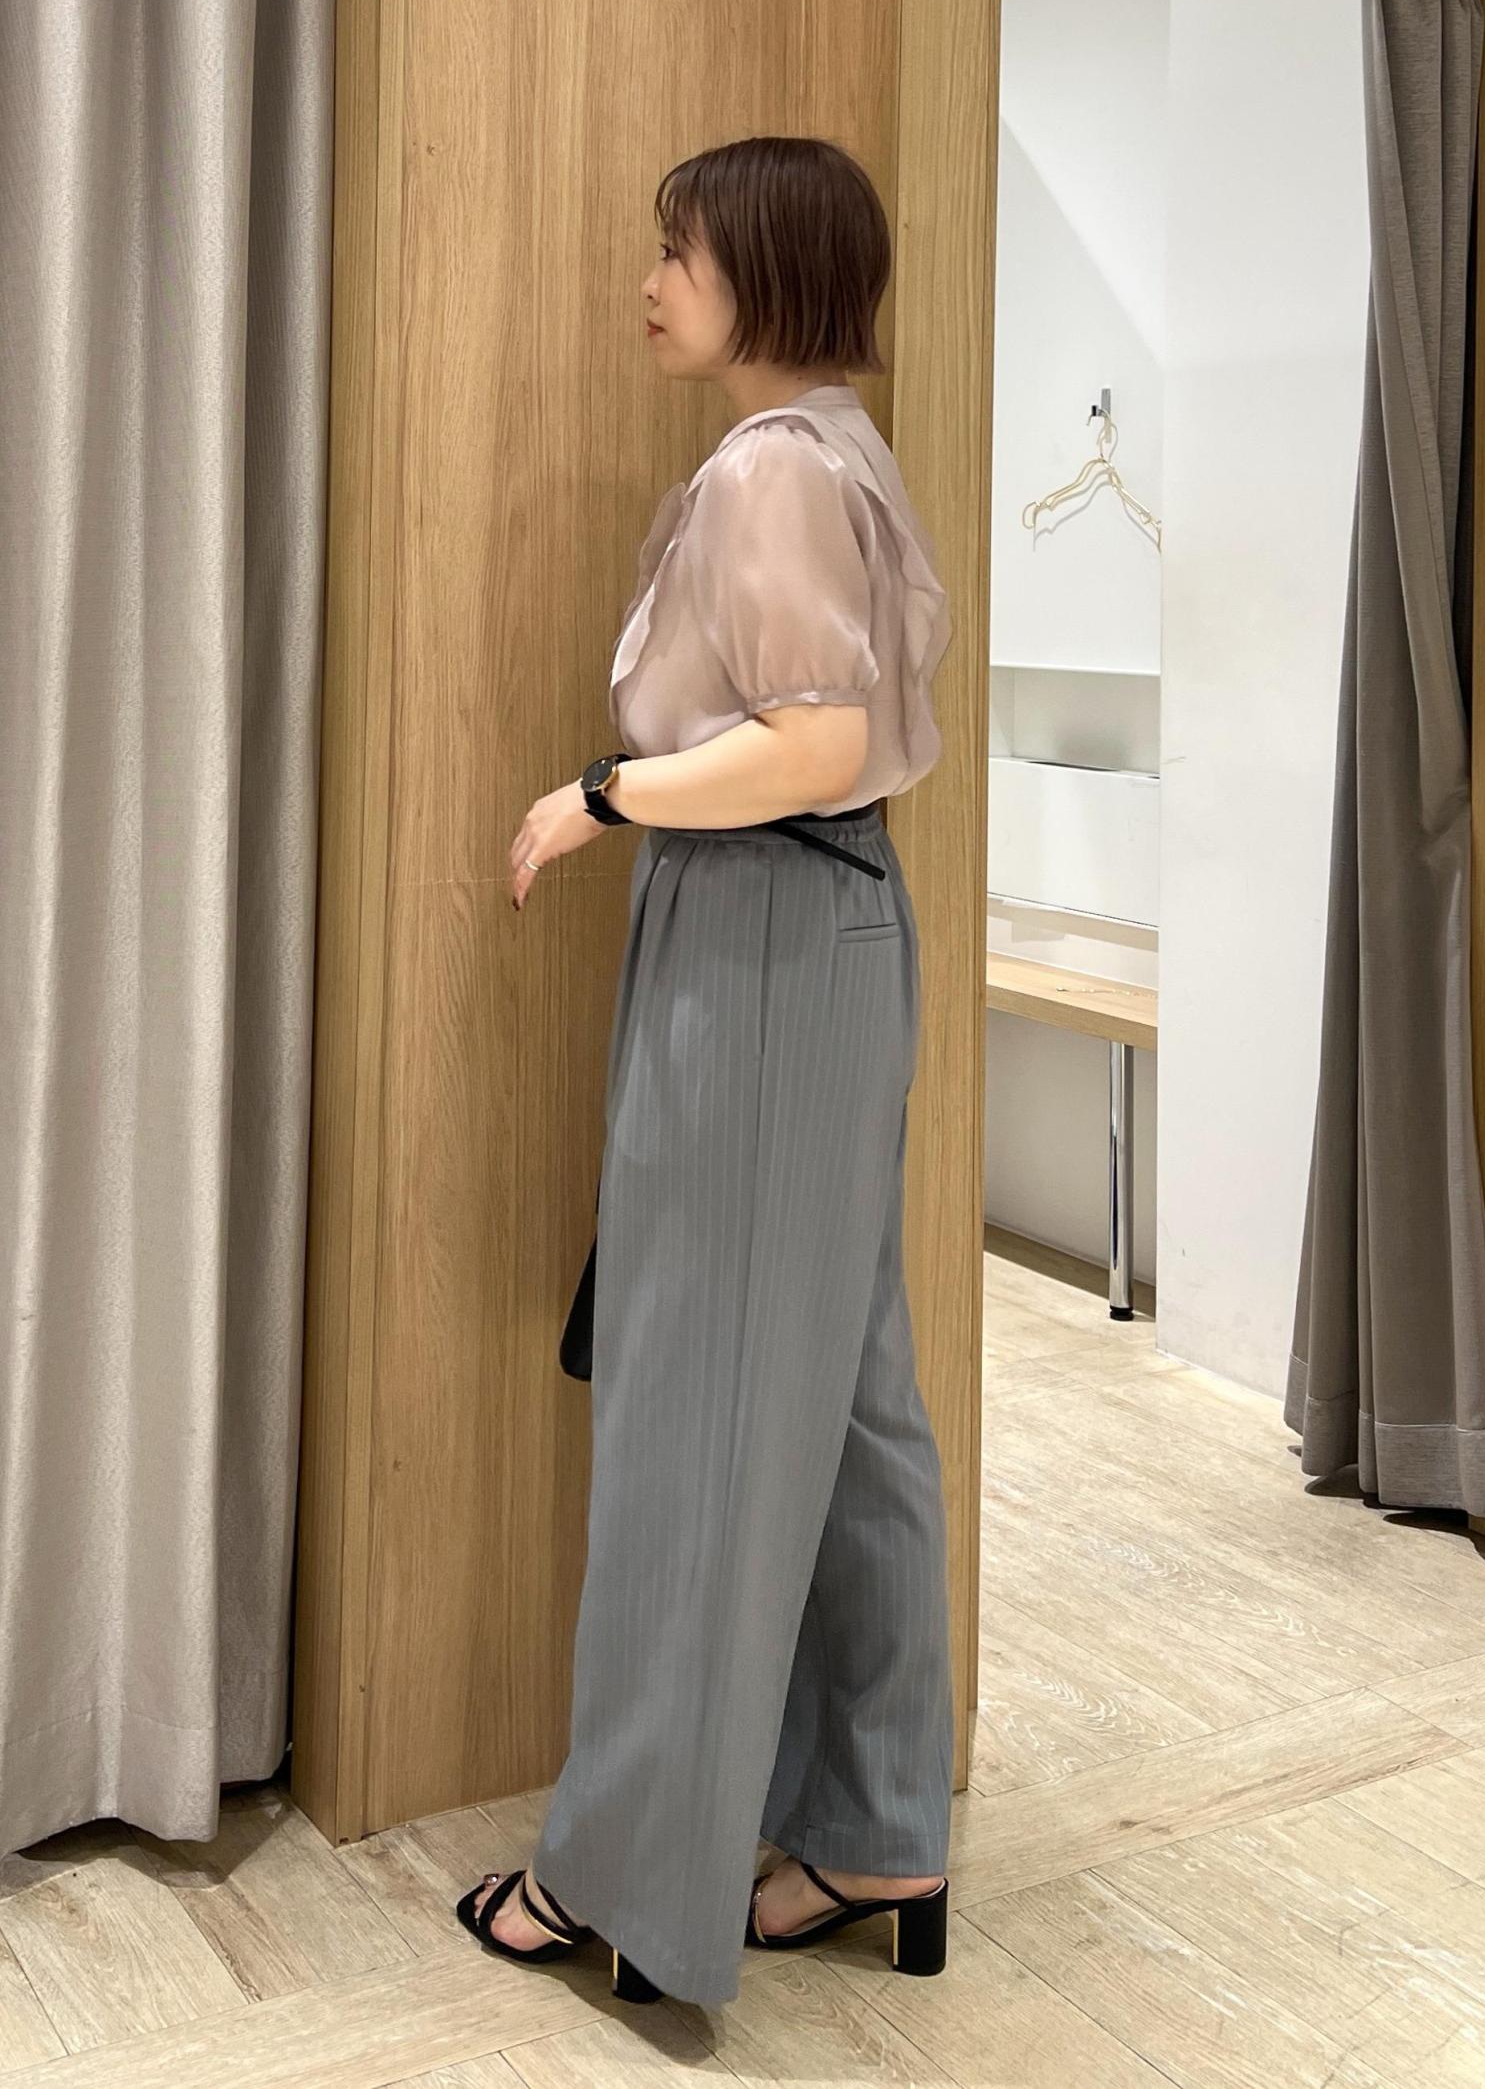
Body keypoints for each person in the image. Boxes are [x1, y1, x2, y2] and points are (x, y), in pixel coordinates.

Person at [455, 134, 955, 2009]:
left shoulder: (769, 471)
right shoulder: (839, 450)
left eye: (682, 249)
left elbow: (811, 740)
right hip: (829, 935)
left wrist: (601, 795)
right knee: (847, 1396)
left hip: (758, 935)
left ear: (765, 266)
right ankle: (878, 1820)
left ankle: (621, 1884)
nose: (653, 280)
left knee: (700, 1408)